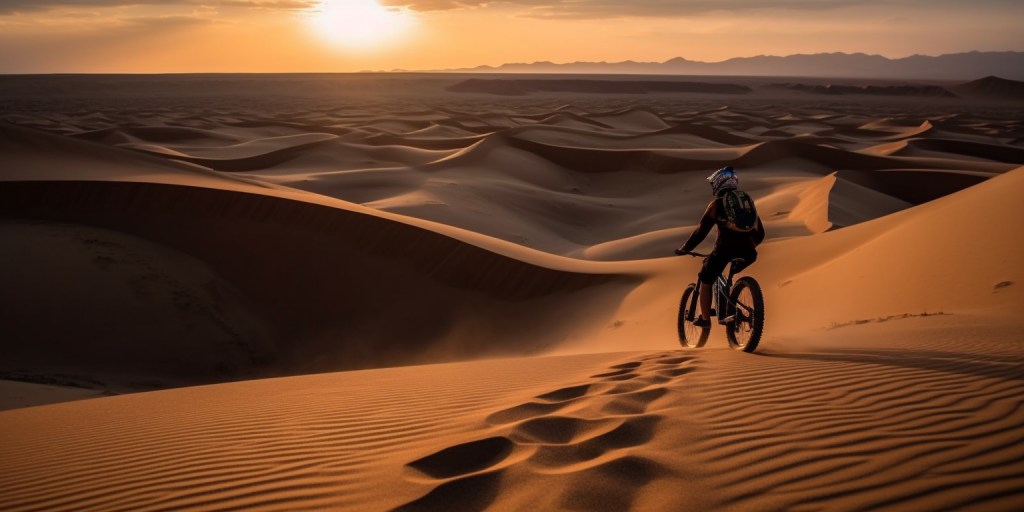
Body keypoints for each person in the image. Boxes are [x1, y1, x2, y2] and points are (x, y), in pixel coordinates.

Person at [675, 166, 765, 327]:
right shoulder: (745, 203)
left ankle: (705, 319)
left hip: (724, 250)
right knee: (728, 275)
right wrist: (749, 246)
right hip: (750, 253)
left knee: (706, 278)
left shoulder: (717, 204)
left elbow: (700, 232)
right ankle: (730, 306)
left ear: (718, 183)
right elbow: (760, 233)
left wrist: (685, 248)